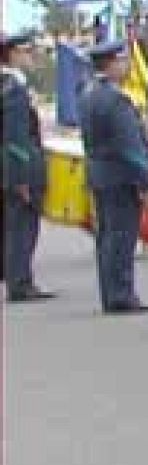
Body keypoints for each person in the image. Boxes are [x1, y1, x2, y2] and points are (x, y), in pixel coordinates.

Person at [79, 40, 148, 315]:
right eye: (123, 61)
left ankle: (110, 291)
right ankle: (121, 293)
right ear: (111, 64)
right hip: (120, 175)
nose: (126, 66)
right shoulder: (116, 98)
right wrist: (145, 179)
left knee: (107, 236)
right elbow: (129, 146)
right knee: (122, 236)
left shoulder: (89, 93)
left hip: (99, 173)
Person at [2, 31, 52, 303]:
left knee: (15, 225)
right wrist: (21, 177)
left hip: (11, 167)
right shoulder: (14, 89)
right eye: (26, 51)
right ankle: (20, 282)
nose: (31, 57)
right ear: (12, 55)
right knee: (22, 227)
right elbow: (16, 136)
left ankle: (17, 277)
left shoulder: (8, 84)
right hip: (20, 168)